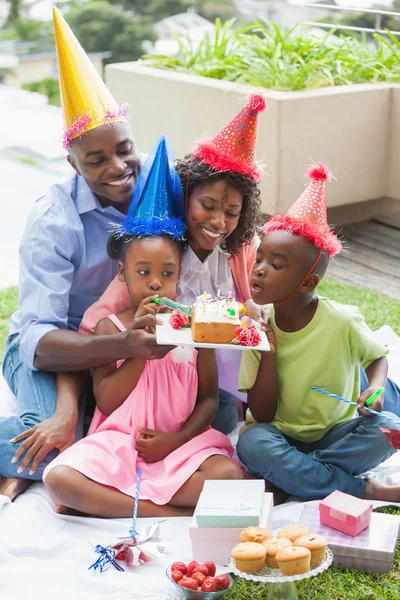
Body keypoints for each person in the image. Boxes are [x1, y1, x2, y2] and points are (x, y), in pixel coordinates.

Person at [0, 8, 172, 501]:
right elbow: (40, 339)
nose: (119, 168)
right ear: (71, 162)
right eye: (96, 160)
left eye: (124, 149)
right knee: (62, 441)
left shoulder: (154, 192)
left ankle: (22, 470)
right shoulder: (53, 222)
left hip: (121, 349)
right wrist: (119, 353)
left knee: (214, 417)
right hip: (58, 354)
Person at [43, 136, 243, 518]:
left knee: (229, 474)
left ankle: (122, 505)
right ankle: (170, 514)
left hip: (179, 446)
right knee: (59, 479)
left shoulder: (195, 327)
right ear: (123, 273)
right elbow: (107, 401)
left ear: (178, 275)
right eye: (143, 272)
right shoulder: (109, 327)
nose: (155, 282)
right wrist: (133, 348)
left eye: (167, 273)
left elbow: (208, 399)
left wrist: (176, 441)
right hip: (118, 443)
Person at [79, 95, 268, 434]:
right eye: (208, 205)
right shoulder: (162, 258)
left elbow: (265, 301)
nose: (218, 221)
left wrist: (254, 306)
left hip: (230, 379)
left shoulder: (240, 251)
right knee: (220, 413)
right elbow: (99, 320)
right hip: (179, 384)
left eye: (231, 213)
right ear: (186, 195)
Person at [236, 164, 400, 503]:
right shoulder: (257, 329)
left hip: (339, 432)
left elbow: (378, 357)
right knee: (251, 443)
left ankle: (296, 477)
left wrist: (374, 387)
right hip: (280, 435)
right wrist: (269, 351)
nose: (260, 270)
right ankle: (362, 489)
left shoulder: (342, 320)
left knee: (392, 431)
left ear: (308, 282)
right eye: (260, 259)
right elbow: (262, 415)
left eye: (276, 265)